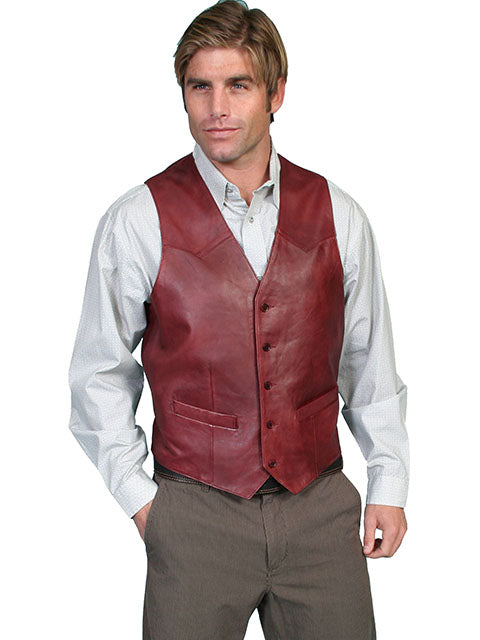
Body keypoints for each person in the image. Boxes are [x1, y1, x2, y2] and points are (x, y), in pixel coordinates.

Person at [67, 1, 409, 638]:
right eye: (200, 86)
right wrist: (145, 505)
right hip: (194, 510)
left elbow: (368, 360)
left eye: (238, 85)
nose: (217, 107)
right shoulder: (138, 219)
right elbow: (98, 375)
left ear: (276, 93)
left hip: (319, 509)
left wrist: (388, 480)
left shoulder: (339, 214)